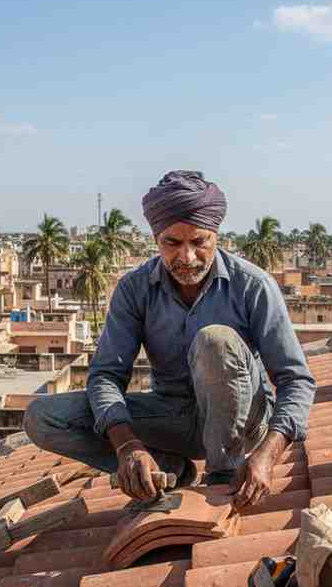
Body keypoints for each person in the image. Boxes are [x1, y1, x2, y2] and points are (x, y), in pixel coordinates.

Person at [24, 170, 315, 510]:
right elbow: (105, 375)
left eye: (199, 242)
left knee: (215, 340)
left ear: (217, 237)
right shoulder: (135, 289)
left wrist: (267, 455)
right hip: (173, 418)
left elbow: (296, 380)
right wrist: (128, 446)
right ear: (156, 239)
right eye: (172, 243)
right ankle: (168, 468)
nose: (187, 257)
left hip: (243, 421)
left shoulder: (252, 285)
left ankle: (223, 472)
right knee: (42, 417)